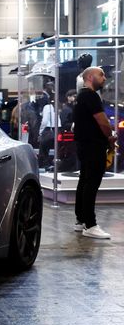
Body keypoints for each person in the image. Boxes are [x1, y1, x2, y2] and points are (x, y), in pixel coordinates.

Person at [73, 66, 116, 239]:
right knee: (91, 183)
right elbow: (103, 121)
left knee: (84, 180)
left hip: (85, 145)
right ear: (90, 77)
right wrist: (110, 137)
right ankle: (90, 224)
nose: (105, 78)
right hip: (93, 146)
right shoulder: (90, 96)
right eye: (101, 74)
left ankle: (80, 220)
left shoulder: (81, 96)